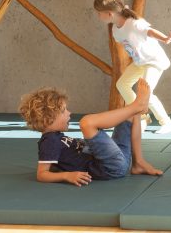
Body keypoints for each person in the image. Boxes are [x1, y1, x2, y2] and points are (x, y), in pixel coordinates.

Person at [20, 78, 163, 185]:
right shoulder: (48, 141)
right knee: (86, 123)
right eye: (64, 111)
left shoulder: (55, 137)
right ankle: (137, 106)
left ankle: (138, 163)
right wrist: (67, 176)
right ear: (48, 119)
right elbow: (42, 174)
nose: (69, 113)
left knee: (129, 113)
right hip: (110, 167)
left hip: (116, 160)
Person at [93, 0, 171, 135]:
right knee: (122, 84)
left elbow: (149, 31)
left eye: (99, 13)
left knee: (145, 93)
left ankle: (167, 123)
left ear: (109, 13)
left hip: (153, 61)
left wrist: (165, 39)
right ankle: (142, 116)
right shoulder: (115, 29)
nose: (98, 16)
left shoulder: (134, 23)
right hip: (141, 62)